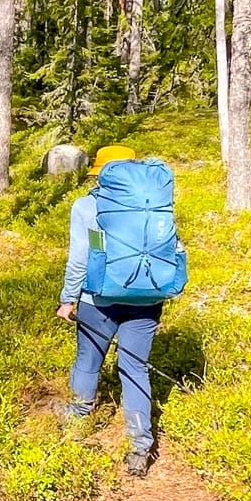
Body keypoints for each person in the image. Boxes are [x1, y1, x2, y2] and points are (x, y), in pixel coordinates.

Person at [58, 144, 162, 478]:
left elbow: (79, 259)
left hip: (97, 297)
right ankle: (139, 445)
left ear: (100, 173)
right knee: (135, 367)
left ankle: (79, 415)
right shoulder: (154, 203)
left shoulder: (87, 206)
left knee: (88, 359)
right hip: (147, 297)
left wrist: (68, 298)